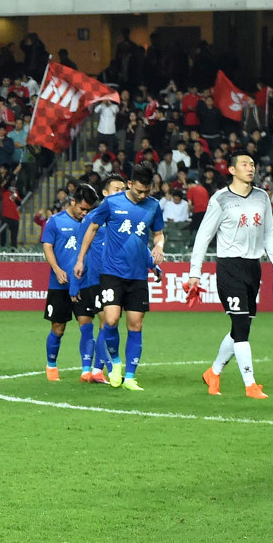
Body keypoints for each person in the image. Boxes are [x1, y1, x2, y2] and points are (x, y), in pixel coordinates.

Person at [191, 153, 273, 399]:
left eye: (253, 164)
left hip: (253, 267)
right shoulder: (220, 199)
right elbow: (203, 237)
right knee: (241, 325)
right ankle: (250, 384)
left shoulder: (262, 197)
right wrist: (194, 272)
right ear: (232, 169)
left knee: (240, 327)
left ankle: (214, 372)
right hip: (229, 267)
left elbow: (270, 233)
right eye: (244, 164)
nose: (250, 167)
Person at [74, 161, 166, 391]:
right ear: (130, 183)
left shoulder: (153, 206)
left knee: (136, 324)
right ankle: (115, 364)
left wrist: (159, 246)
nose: (143, 195)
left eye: (147, 191)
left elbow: (159, 234)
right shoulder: (112, 203)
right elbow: (92, 228)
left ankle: (131, 377)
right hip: (112, 272)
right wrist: (80, 259)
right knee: (112, 320)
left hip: (138, 275)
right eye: (139, 190)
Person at [40, 184, 100, 382]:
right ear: (73, 202)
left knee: (86, 324)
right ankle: (51, 366)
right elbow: (48, 247)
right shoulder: (55, 222)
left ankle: (85, 371)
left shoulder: (91, 224)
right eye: (82, 208)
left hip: (83, 284)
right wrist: (57, 269)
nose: (85, 213)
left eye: (88, 210)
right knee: (58, 327)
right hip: (59, 284)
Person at [77, 175, 128, 382]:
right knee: (106, 323)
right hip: (97, 278)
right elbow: (81, 250)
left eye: (123, 188)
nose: (121, 192)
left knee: (109, 324)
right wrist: (76, 283)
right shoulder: (92, 217)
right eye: (117, 189)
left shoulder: (122, 218)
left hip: (116, 276)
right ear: (105, 193)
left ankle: (98, 369)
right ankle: (102, 369)